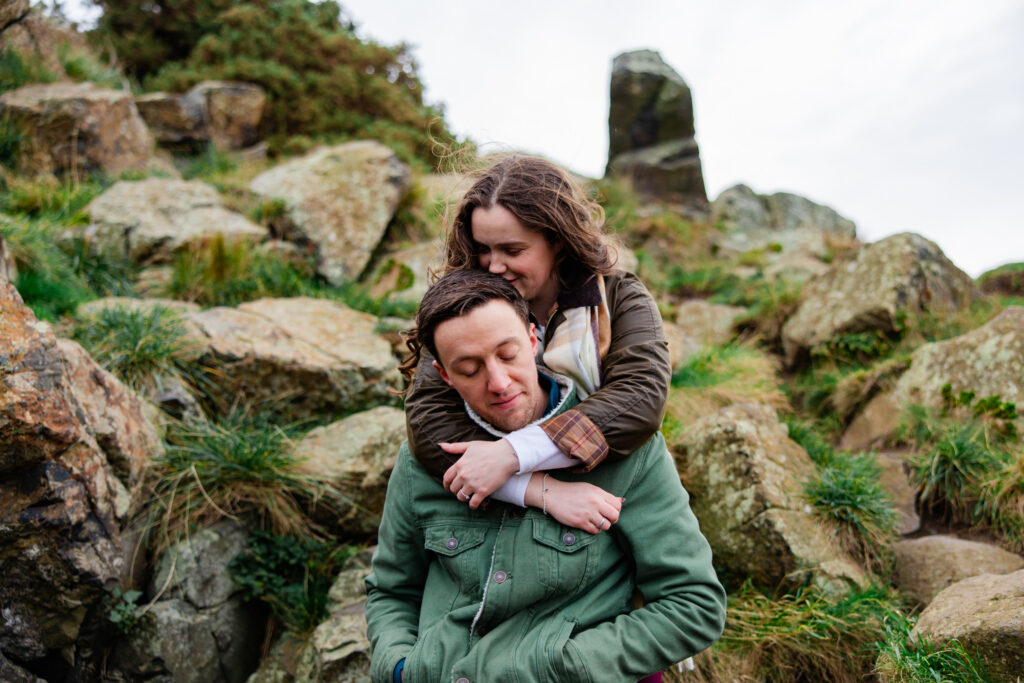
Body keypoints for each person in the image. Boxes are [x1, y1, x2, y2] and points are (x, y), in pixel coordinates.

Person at [367, 271, 726, 683]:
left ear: (534, 340)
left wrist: (561, 668)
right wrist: (399, 669)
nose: (499, 383)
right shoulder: (423, 462)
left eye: (508, 354)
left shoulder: (631, 455)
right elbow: (391, 590)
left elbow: (694, 605)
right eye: (469, 369)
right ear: (444, 376)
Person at [402, 155, 671, 527]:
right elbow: (429, 426)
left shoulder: (620, 297)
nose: (494, 266)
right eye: (483, 248)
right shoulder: (459, 311)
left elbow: (640, 397)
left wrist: (514, 454)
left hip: (612, 491)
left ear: (557, 241)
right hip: (486, 517)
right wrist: (538, 489)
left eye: (513, 251)